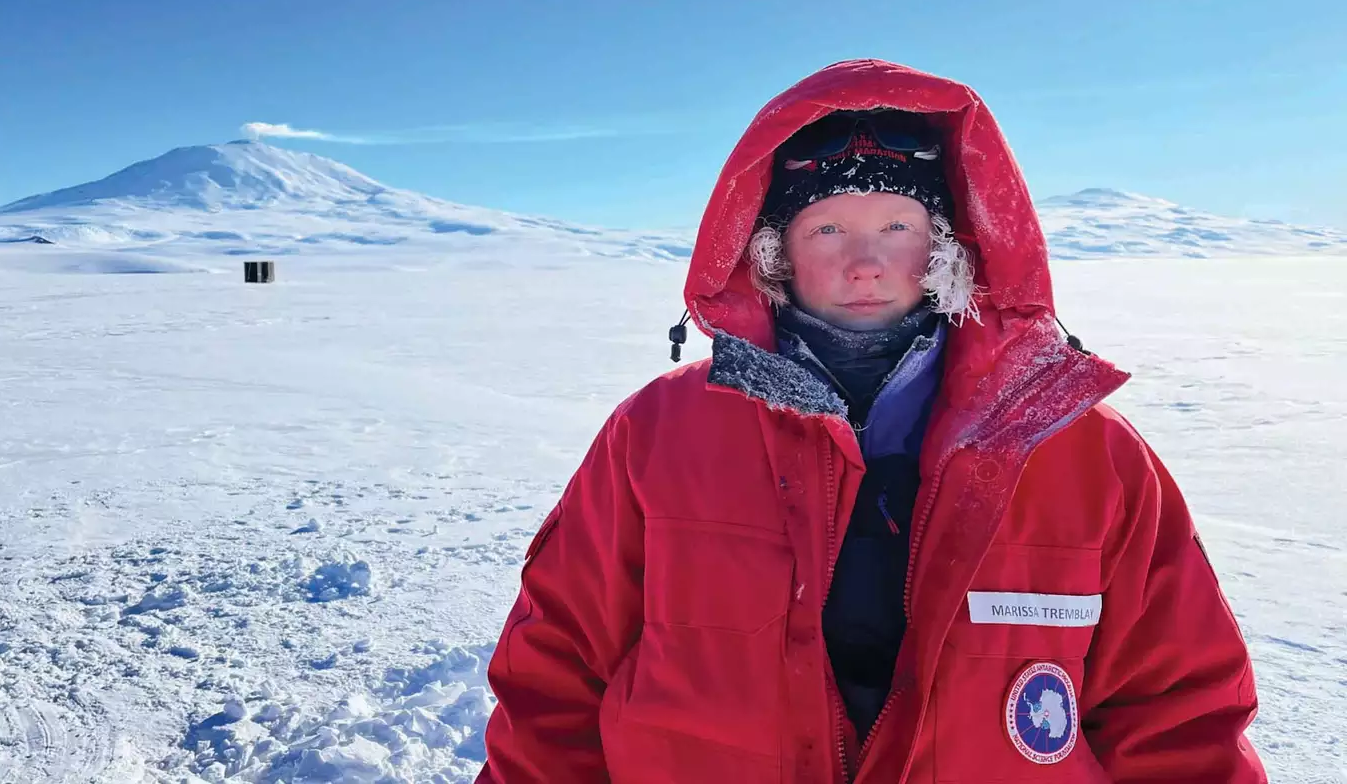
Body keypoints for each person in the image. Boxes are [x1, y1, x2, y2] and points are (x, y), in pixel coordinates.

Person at [475, 59, 1267, 783]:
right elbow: (557, 676)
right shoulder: (658, 432)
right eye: (827, 229)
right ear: (771, 250)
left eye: (897, 227)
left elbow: (1180, 716)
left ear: (950, 245)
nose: (865, 262)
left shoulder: (1079, 450)